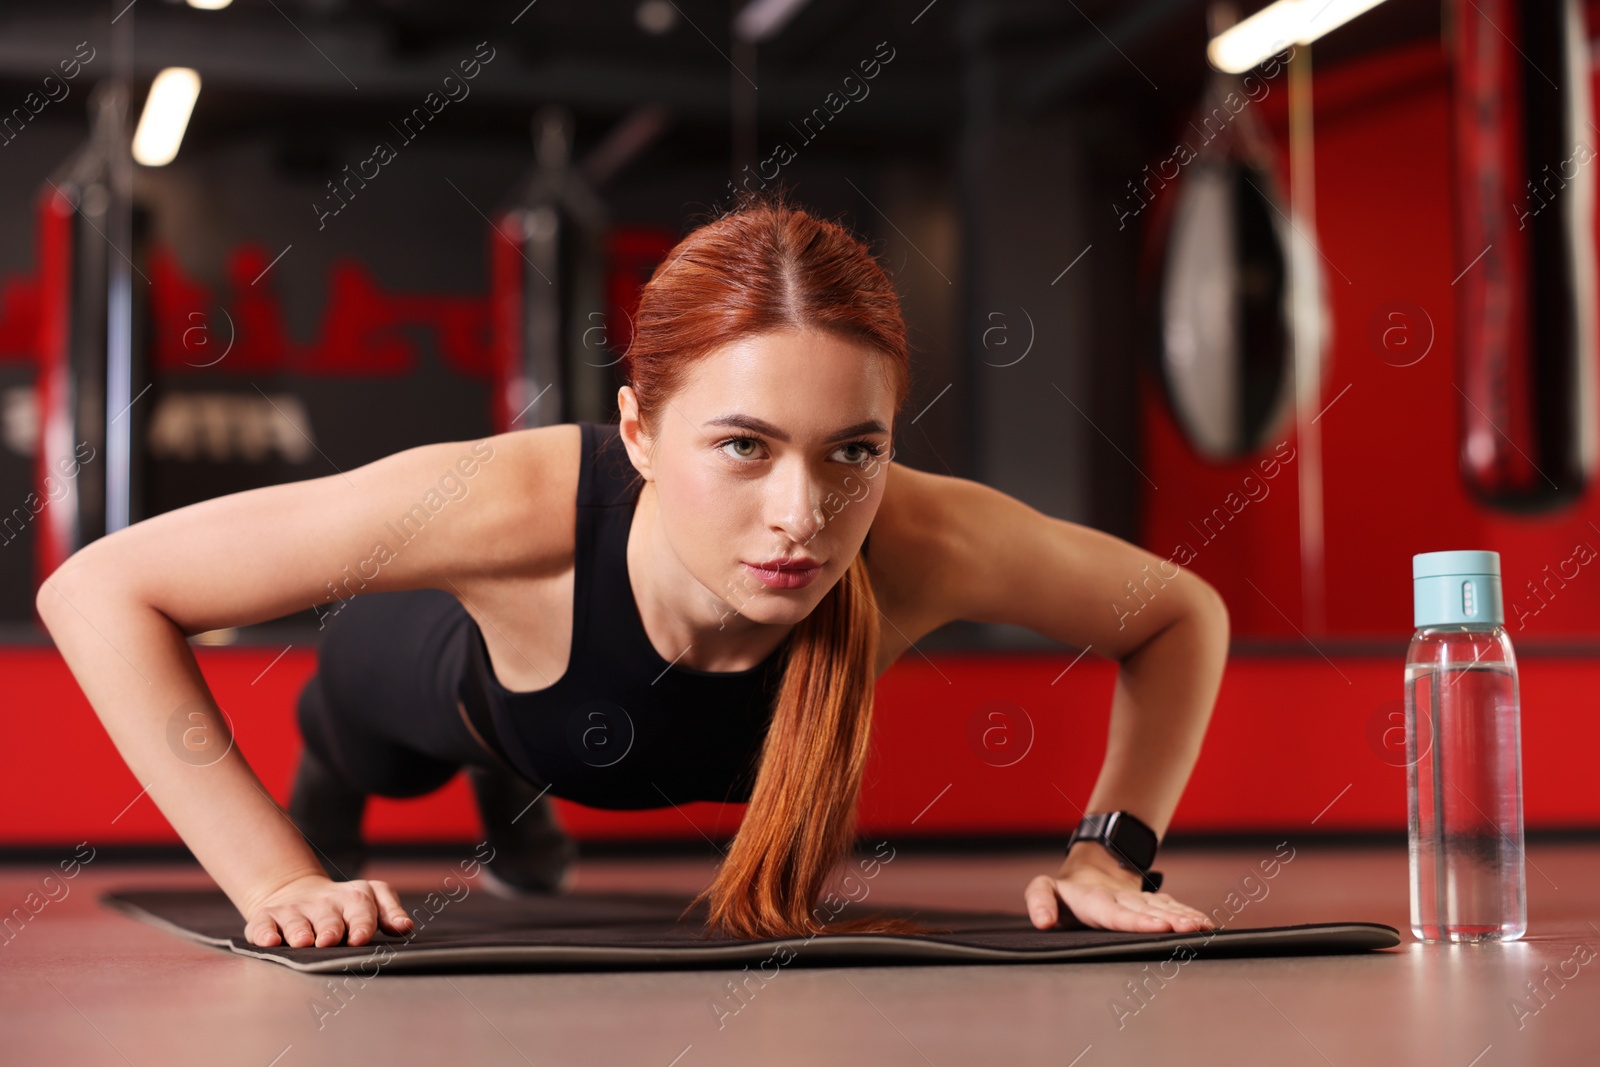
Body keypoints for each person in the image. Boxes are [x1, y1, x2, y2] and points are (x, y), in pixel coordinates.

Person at [36, 189, 1227, 950]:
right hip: (446, 683)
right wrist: (277, 875)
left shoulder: (924, 536)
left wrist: (1107, 850)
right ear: (640, 435)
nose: (801, 515)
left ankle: (515, 819)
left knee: (565, 760)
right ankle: (390, 798)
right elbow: (96, 588)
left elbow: (1177, 614)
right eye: (742, 446)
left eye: (852, 451)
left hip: (596, 728)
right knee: (359, 758)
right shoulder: (514, 501)